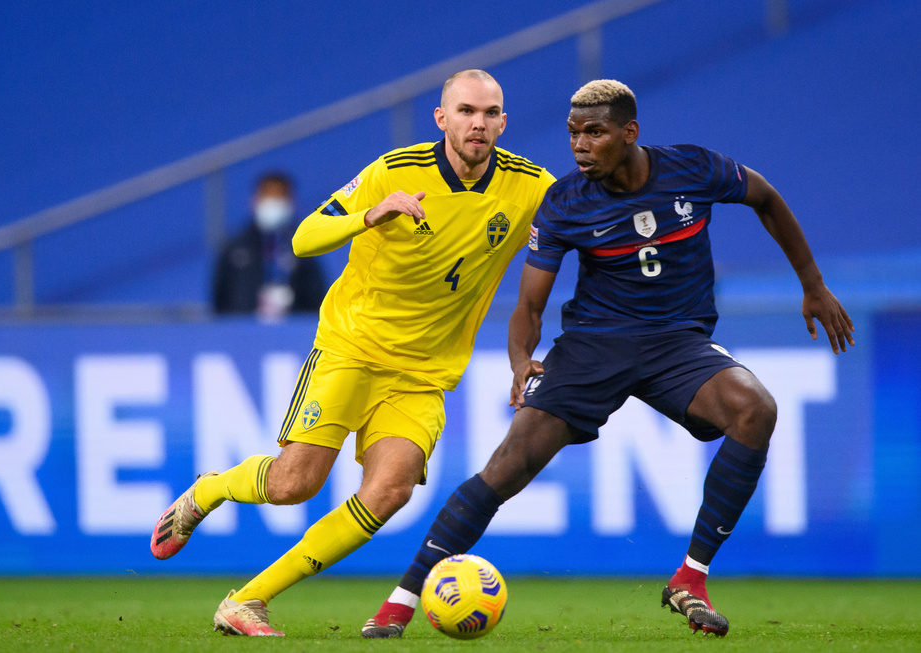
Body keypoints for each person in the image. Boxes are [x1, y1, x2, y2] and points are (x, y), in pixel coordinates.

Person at [362, 79, 855, 639]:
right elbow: (529, 306)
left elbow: (766, 197)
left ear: (629, 132)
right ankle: (400, 602)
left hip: (677, 343)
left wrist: (812, 285)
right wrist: (521, 359)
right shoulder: (565, 203)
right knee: (507, 466)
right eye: (573, 133)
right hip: (594, 346)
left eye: (594, 133)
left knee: (756, 410)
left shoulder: (694, 169)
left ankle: (690, 578)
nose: (580, 145)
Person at [150, 69, 556, 636]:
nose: (478, 124)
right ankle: (210, 489)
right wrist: (370, 215)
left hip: (423, 373)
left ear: (503, 122)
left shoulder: (531, 186)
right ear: (441, 118)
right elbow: (304, 237)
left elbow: (584, 225)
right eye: (465, 111)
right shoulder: (394, 171)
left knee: (389, 491)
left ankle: (248, 600)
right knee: (294, 484)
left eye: (490, 113)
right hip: (352, 347)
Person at [211, 171, 327, 318]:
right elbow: (219, 298)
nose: (273, 202)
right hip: (242, 328)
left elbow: (317, 296)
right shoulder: (234, 247)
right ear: (255, 200)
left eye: (279, 197)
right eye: (268, 196)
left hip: (293, 328)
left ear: (291, 202)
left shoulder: (305, 244)